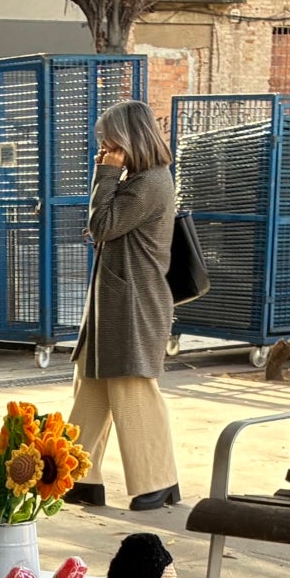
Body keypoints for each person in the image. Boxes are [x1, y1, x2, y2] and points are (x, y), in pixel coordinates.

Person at [70, 99, 180, 511]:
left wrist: (107, 172)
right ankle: (79, 474)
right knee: (93, 384)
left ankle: (159, 479)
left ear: (130, 138)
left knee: (133, 388)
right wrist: (112, 173)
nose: (104, 148)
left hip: (134, 302)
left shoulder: (149, 182)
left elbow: (102, 225)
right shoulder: (139, 178)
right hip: (117, 299)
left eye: (110, 140)